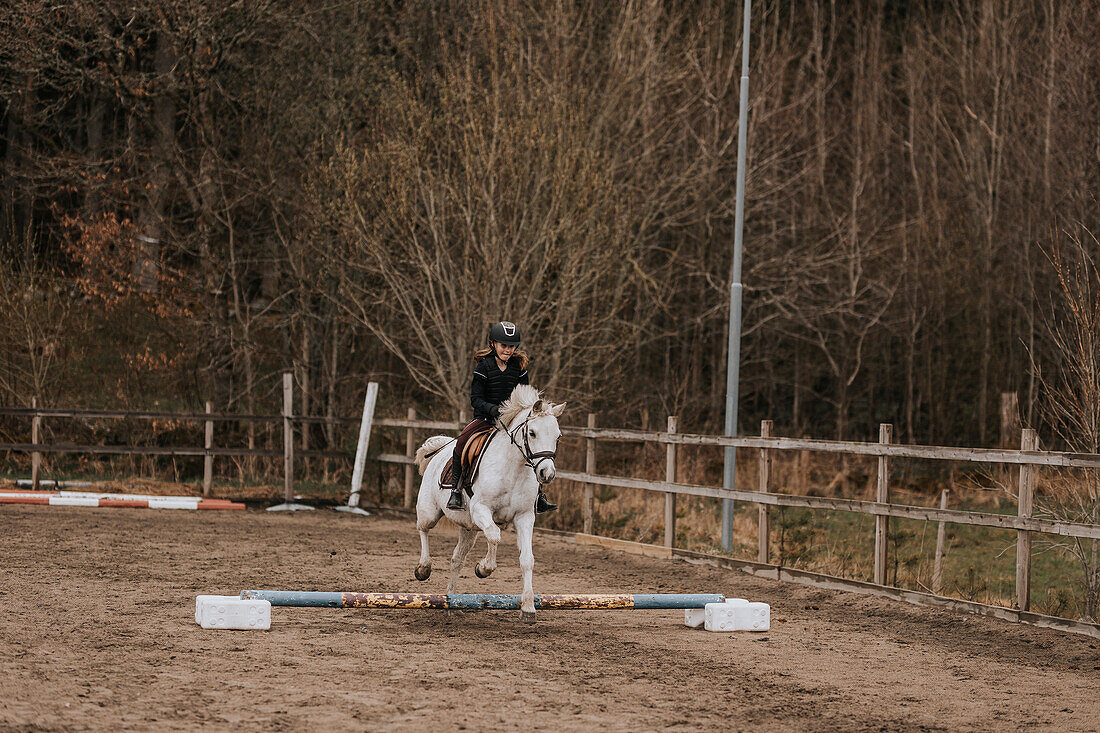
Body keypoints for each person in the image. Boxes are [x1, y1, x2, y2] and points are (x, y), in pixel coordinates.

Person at [444, 321, 557, 514]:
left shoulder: (519, 367)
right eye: (504, 345)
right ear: (493, 344)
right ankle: (455, 490)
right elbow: (475, 399)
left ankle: (539, 495)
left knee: (532, 448)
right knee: (461, 443)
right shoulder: (483, 367)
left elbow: (527, 397)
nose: (507, 350)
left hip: (513, 421)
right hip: (486, 419)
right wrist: (492, 409)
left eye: (511, 346)